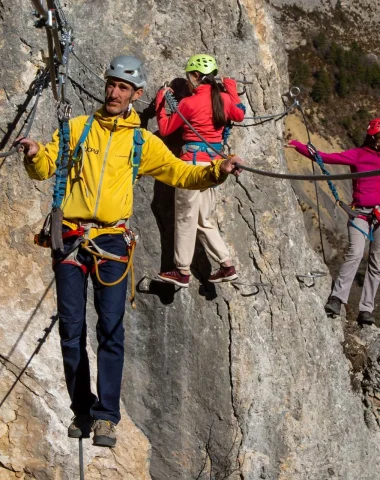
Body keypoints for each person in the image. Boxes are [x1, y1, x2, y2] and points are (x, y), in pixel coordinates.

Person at [19, 55, 244, 447]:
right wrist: (36, 154)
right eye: (111, 84)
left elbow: (180, 173)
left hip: (111, 241)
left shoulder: (142, 141)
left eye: (123, 87)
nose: (114, 92)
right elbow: (47, 167)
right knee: (71, 331)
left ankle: (106, 416)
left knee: (111, 329)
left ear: (136, 94)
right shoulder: (76, 129)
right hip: (71, 238)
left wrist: (215, 171)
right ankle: (82, 408)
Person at [155, 54, 245, 287]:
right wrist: (232, 89)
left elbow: (165, 129)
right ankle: (226, 265)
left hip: (191, 168)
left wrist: (160, 102)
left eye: (189, 77)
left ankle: (182, 271)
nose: (187, 82)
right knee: (204, 219)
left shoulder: (188, 103)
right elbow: (240, 114)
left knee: (185, 218)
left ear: (196, 76)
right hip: (215, 167)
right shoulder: (224, 99)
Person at [287, 118, 380, 325]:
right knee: (355, 253)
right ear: (373, 138)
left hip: (379, 216)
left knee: (377, 263)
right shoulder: (359, 155)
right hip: (361, 214)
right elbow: (325, 158)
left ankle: (366, 310)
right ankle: (337, 299)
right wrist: (297, 146)